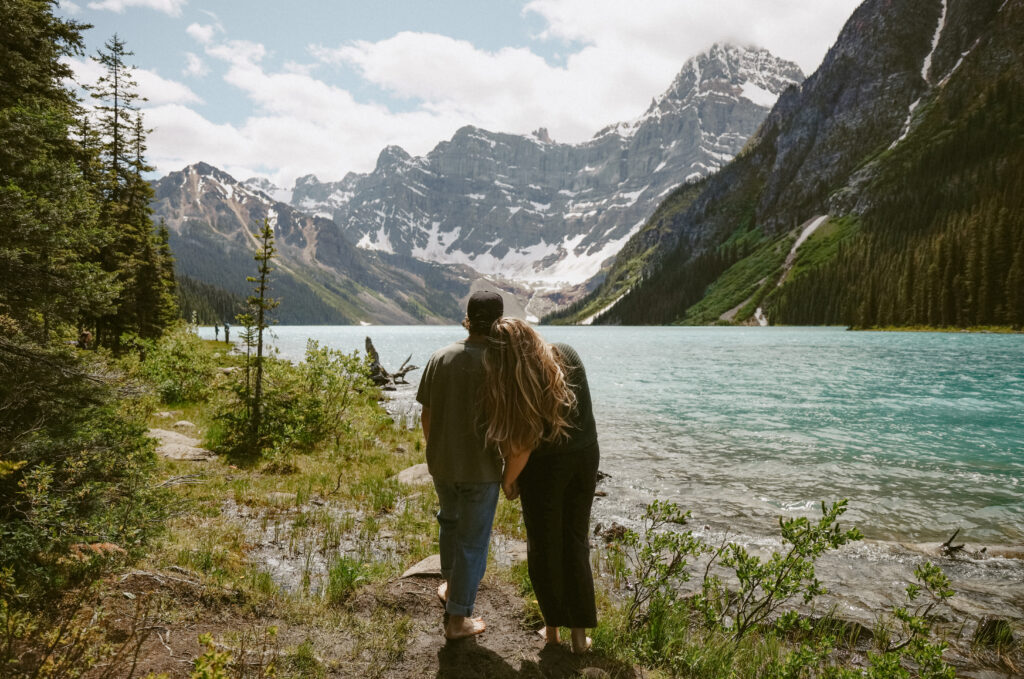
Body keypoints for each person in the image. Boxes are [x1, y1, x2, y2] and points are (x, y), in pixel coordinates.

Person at [483, 318, 599, 654]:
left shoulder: (517, 379)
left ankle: (552, 632)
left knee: (544, 544)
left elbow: (521, 447)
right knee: (576, 540)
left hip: (545, 470)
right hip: (584, 459)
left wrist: (508, 481)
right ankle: (580, 639)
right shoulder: (566, 354)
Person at [416, 290, 505, 640]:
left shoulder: (440, 357)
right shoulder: (500, 364)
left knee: (449, 525)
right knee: (472, 542)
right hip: (481, 471)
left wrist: (434, 450)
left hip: (443, 465)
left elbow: (427, 414)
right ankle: (458, 620)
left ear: (467, 317)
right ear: (499, 321)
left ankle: (452, 590)